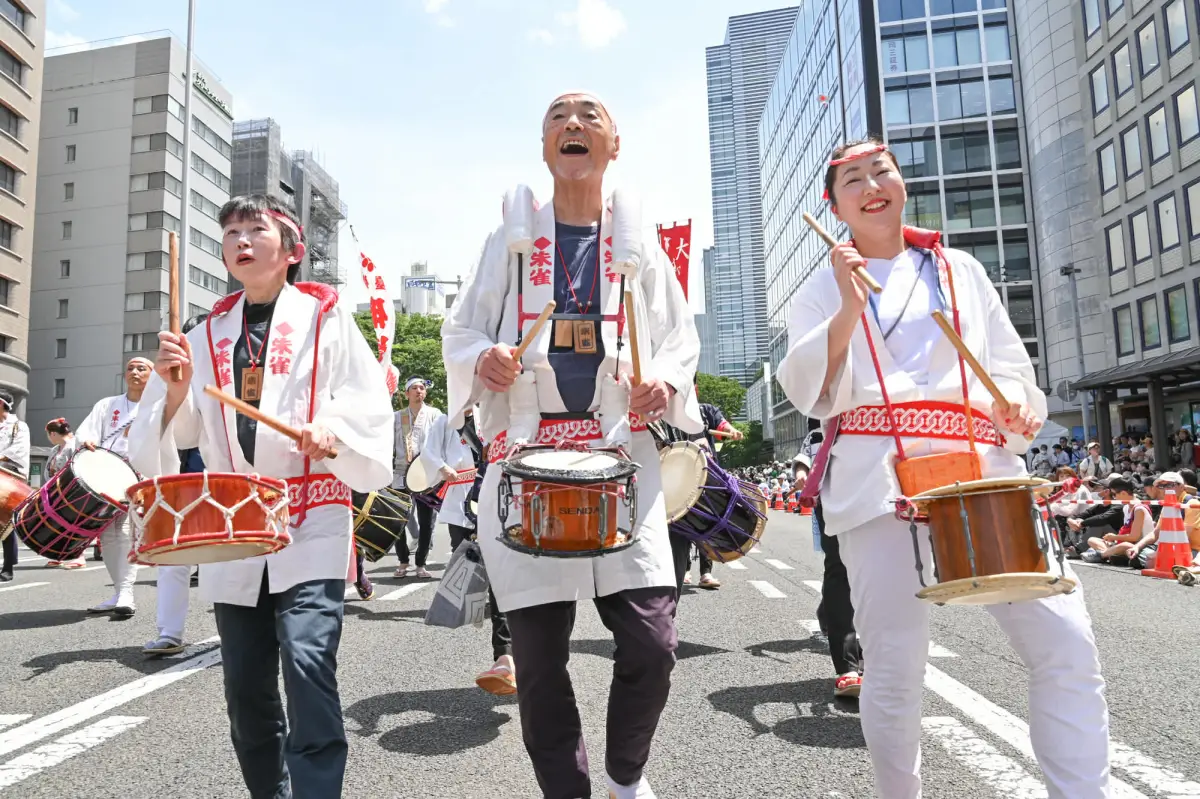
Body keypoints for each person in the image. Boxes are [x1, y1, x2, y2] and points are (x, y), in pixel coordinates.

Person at [777, 137, 1110, 798]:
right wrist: (847, 305)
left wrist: (1017, 405)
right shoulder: (821, 285)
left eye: (882, 171)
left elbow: (1010, 368)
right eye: (853, 181)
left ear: (901, 181)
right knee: (896, 667)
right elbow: (808, 388)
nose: (872, 185)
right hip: (878, 474)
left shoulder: (960, 268)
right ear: (833, 204)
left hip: (980, 468)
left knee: (1066, 642)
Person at [441, 91, 702, 799]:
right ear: (544, 146)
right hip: (526, 458)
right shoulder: (509, 240)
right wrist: (486, 357)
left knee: (652, 643)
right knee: (538, 660)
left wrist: (665, 384)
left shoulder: (637, 245)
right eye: (558, 116)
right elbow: (459, 333)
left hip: (622, 455)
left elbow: (679, 341)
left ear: (614, 145)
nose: (574, 125)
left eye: (590, 116)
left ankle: (625, 776)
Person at [128, 194, 393, 799]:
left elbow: (363, 396)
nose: (240, 240)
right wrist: (174, 390)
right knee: (246, 691)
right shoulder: (204, 333)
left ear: (292, 250)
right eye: (231, 233)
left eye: (256, 229)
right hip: (235, 525)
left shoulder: (326, 317)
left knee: (307, 664)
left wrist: (334, 427)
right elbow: (184, 430)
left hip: (311, 514)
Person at [425, 404, 516, 695]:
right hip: (460, 503)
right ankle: (505, 647)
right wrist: (443, 468)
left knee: (501, 581)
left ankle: (506, 657)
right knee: (473, 571)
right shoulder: (444, 420)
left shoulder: (493, 408)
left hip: (498, 502)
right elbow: (428, 452)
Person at [143, 313, 210, 657]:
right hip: (175, 478)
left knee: (232, 555)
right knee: (173, 555)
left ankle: (244, 632)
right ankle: (170, 631)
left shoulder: (225, 366)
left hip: (217, 477)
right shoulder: (165, 372)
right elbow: (150, 425)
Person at [75, 357, 152, 614]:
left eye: (142, 368)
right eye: (130, 368)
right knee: (107, 537)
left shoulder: (157, 406)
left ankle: (127, 593)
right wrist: (87, 441)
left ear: (152, 375)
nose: (135, 372)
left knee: (127, 534)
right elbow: (87, 431)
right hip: (106, 476)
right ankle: (119, 592)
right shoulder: (107, 405)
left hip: (138, 478)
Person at [794, 423, 862, 698]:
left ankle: (880, 659)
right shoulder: (821, 431)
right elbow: (802, 462)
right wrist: (802, 475)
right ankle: (847, 666)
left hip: (880, 505)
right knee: (840, 571)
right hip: (833, 507)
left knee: (879, 579)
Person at [393, 376, 442, 579]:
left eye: (422, 388)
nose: (419, 391)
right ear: (407, 393)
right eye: (414, 388)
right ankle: (403, 561)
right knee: (397, 520)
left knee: (426, 521)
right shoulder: (396, 417)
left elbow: (441, 442)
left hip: (425, 474)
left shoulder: (435, 414)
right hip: (400, 472)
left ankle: (420, 563)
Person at [42, 418, 86, 570]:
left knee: (74, 522)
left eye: (48, 434)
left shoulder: (75, 445)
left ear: (53, 433)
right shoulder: (56, 449)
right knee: (58, 523)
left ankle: (79, 556)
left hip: (74, 489)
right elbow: (48, 471)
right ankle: (59, 555)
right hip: (57, 490)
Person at [1081, 476, 1151, 565]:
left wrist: (1114, 537)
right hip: (1124, 543)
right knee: (1092, 540)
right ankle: (1110, 554)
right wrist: (1114, 538)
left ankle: (1102, 554)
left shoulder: (1139, 509)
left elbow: (1135, 537)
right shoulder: (1126, 507)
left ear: (1123, 493)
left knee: (1125, 546)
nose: (1114, 498)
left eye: (1114, 494)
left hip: (1139, 545)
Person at [0, 390, 29, 582]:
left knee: (5, 523)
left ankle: (8, 565)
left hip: (9, 478)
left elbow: (17, 452)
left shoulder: (19, 427)